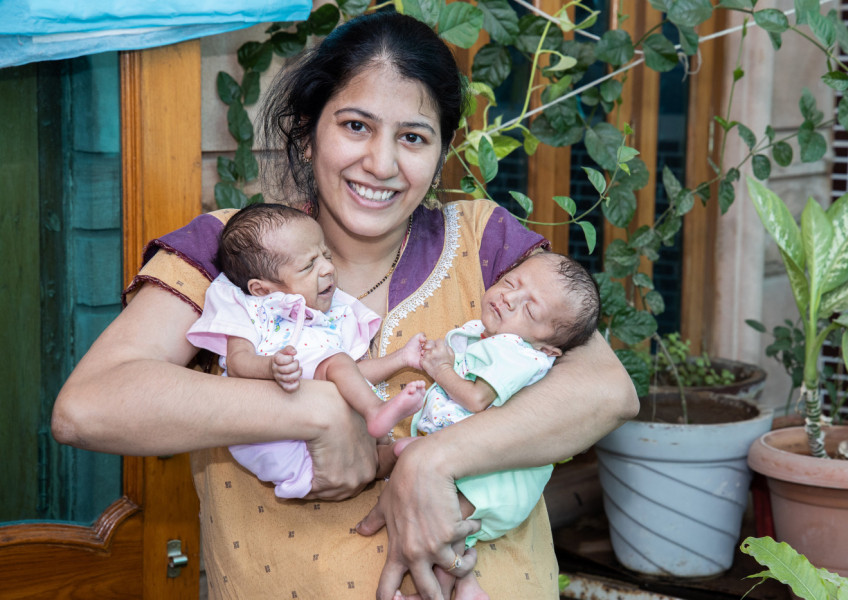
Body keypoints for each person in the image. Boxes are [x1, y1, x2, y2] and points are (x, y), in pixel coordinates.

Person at [51, 11, 639, 600]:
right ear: (307, 134)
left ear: (440, 152)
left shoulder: (488, 245)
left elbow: (607, 390)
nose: (381, 164)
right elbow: (88, 406)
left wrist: (427, 462)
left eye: (412, 137)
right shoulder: (235, 251)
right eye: (356, 126)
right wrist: (314, 410)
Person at [186, 202, 426, 499]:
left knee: (360, 425)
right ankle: (375, 411)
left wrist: (402, 359)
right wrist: (270, 367)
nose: (328, 268)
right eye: (309, 265)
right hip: (273, 436)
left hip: (332, 445)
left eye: (326, 255)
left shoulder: (324, 319)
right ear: (262, 289)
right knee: (340, 369)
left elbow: (350, 375)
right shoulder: (250, 307)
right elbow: (237, 363)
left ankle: (392, 455)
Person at [403, 251, 601, 600]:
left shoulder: (518, 352)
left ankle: (435, 591)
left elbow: (476, 399)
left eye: (530, 309)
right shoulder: (495, 337)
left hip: (491, 481)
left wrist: (441, 369)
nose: (508, 298)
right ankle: (468, 587)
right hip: (475, 468)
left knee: (445, 528)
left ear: (549, 348)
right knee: (446, 526)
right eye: (511, 282)